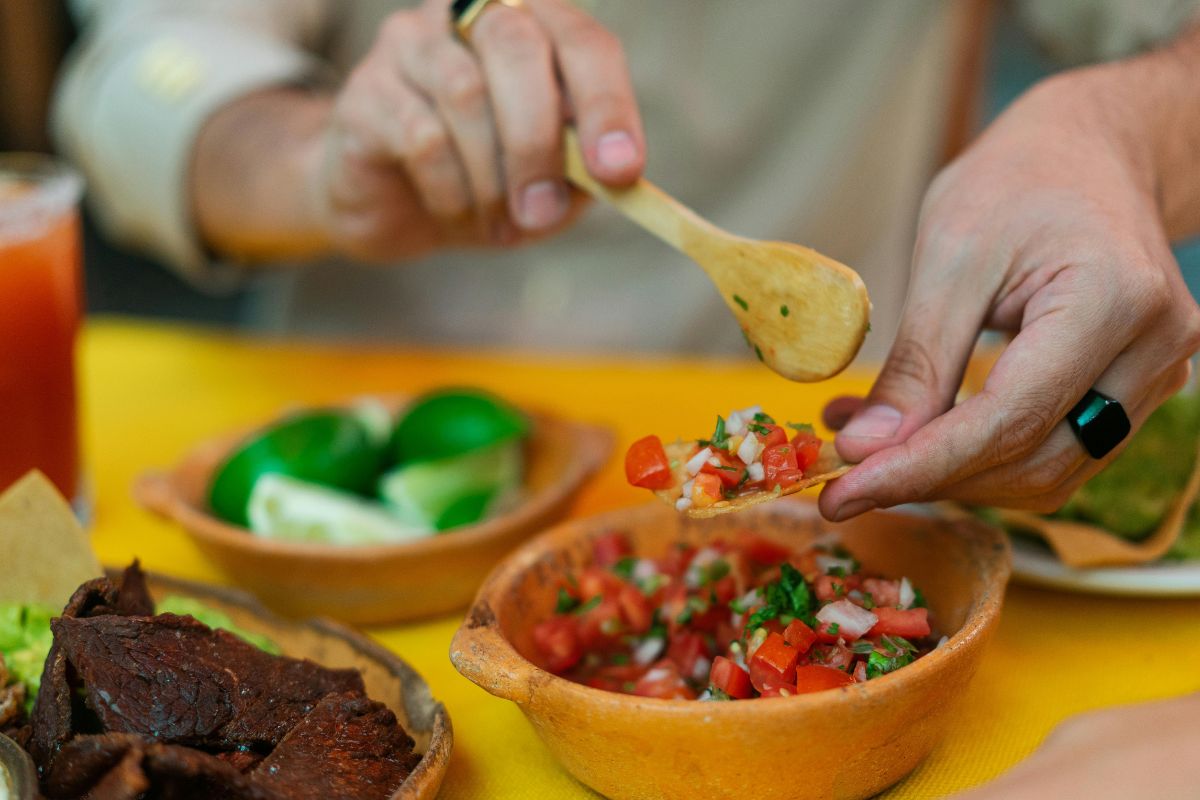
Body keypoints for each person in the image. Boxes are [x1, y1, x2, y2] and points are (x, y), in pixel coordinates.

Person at [54, 3, 1200, 796]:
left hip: (850, 410)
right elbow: (135, 76)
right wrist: (318, 165)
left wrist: (1122, 128)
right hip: (351, 428)